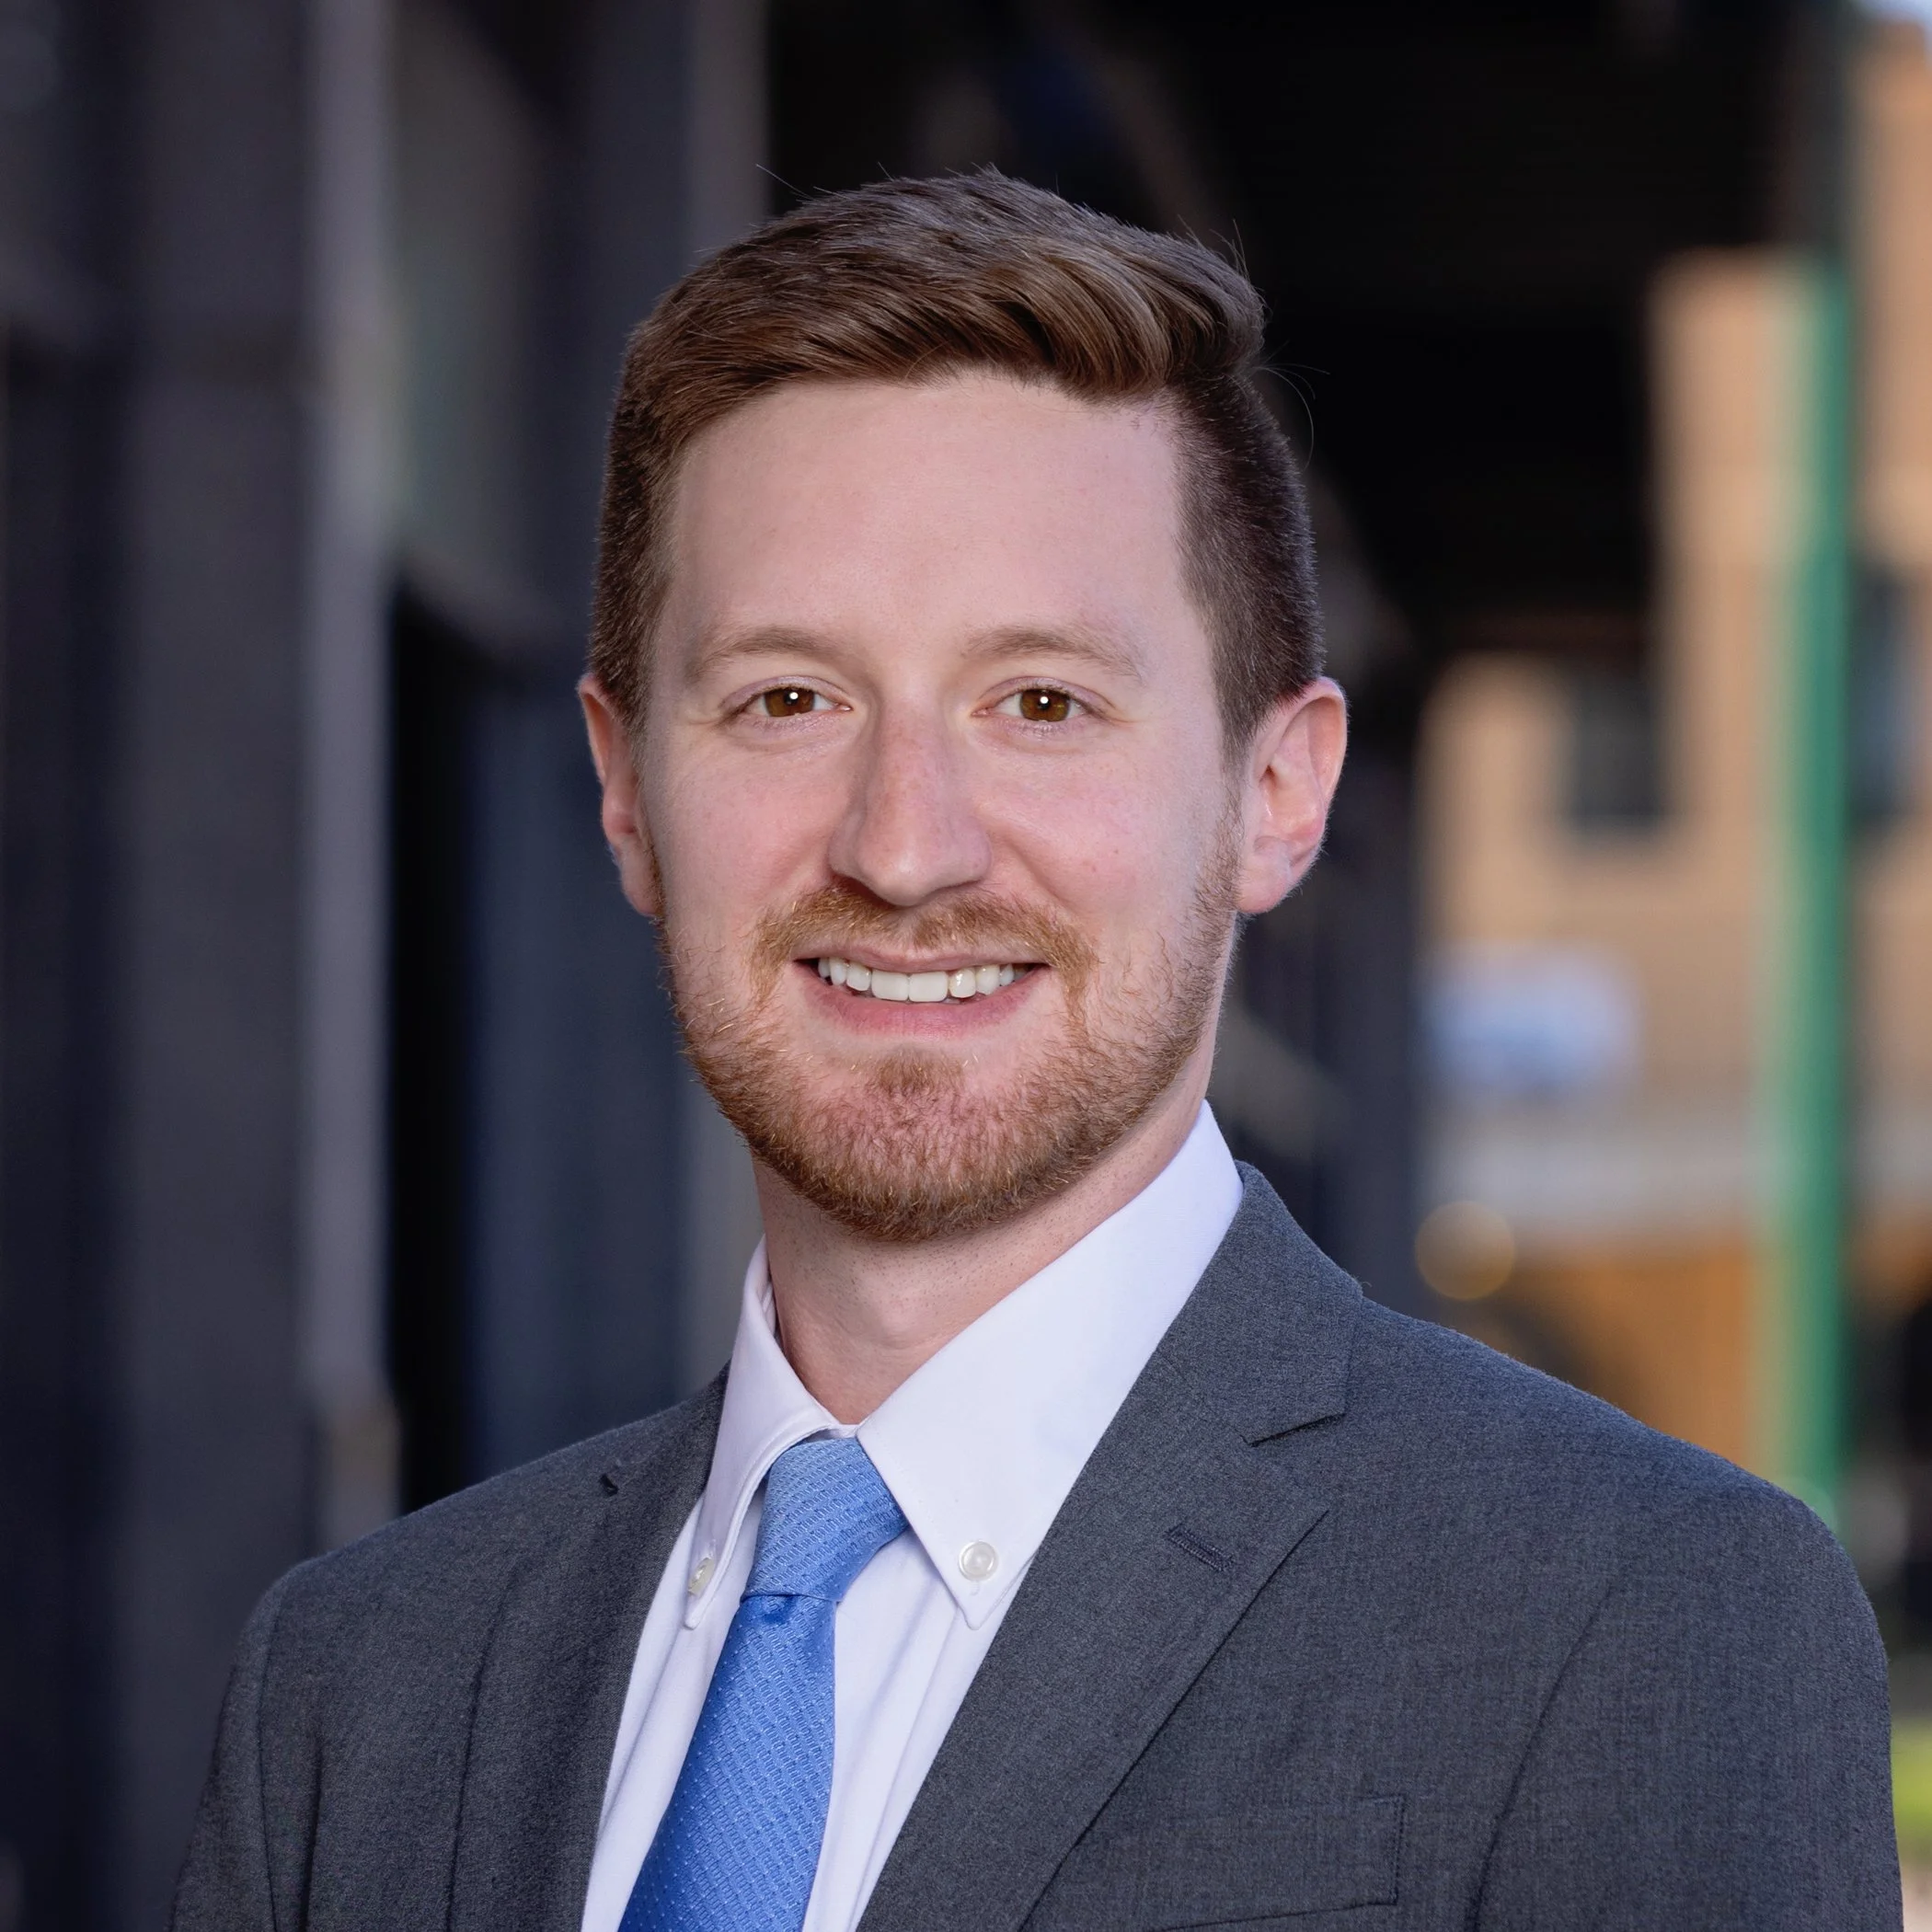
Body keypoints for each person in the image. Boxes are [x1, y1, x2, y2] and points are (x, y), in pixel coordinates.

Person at [173, 174, 1898, 1932]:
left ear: (1275, 792)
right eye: (788, 699)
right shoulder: (353, 1691)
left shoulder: (1633, 1618)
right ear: (627, 791)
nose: (905, 846)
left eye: (1043, 703)